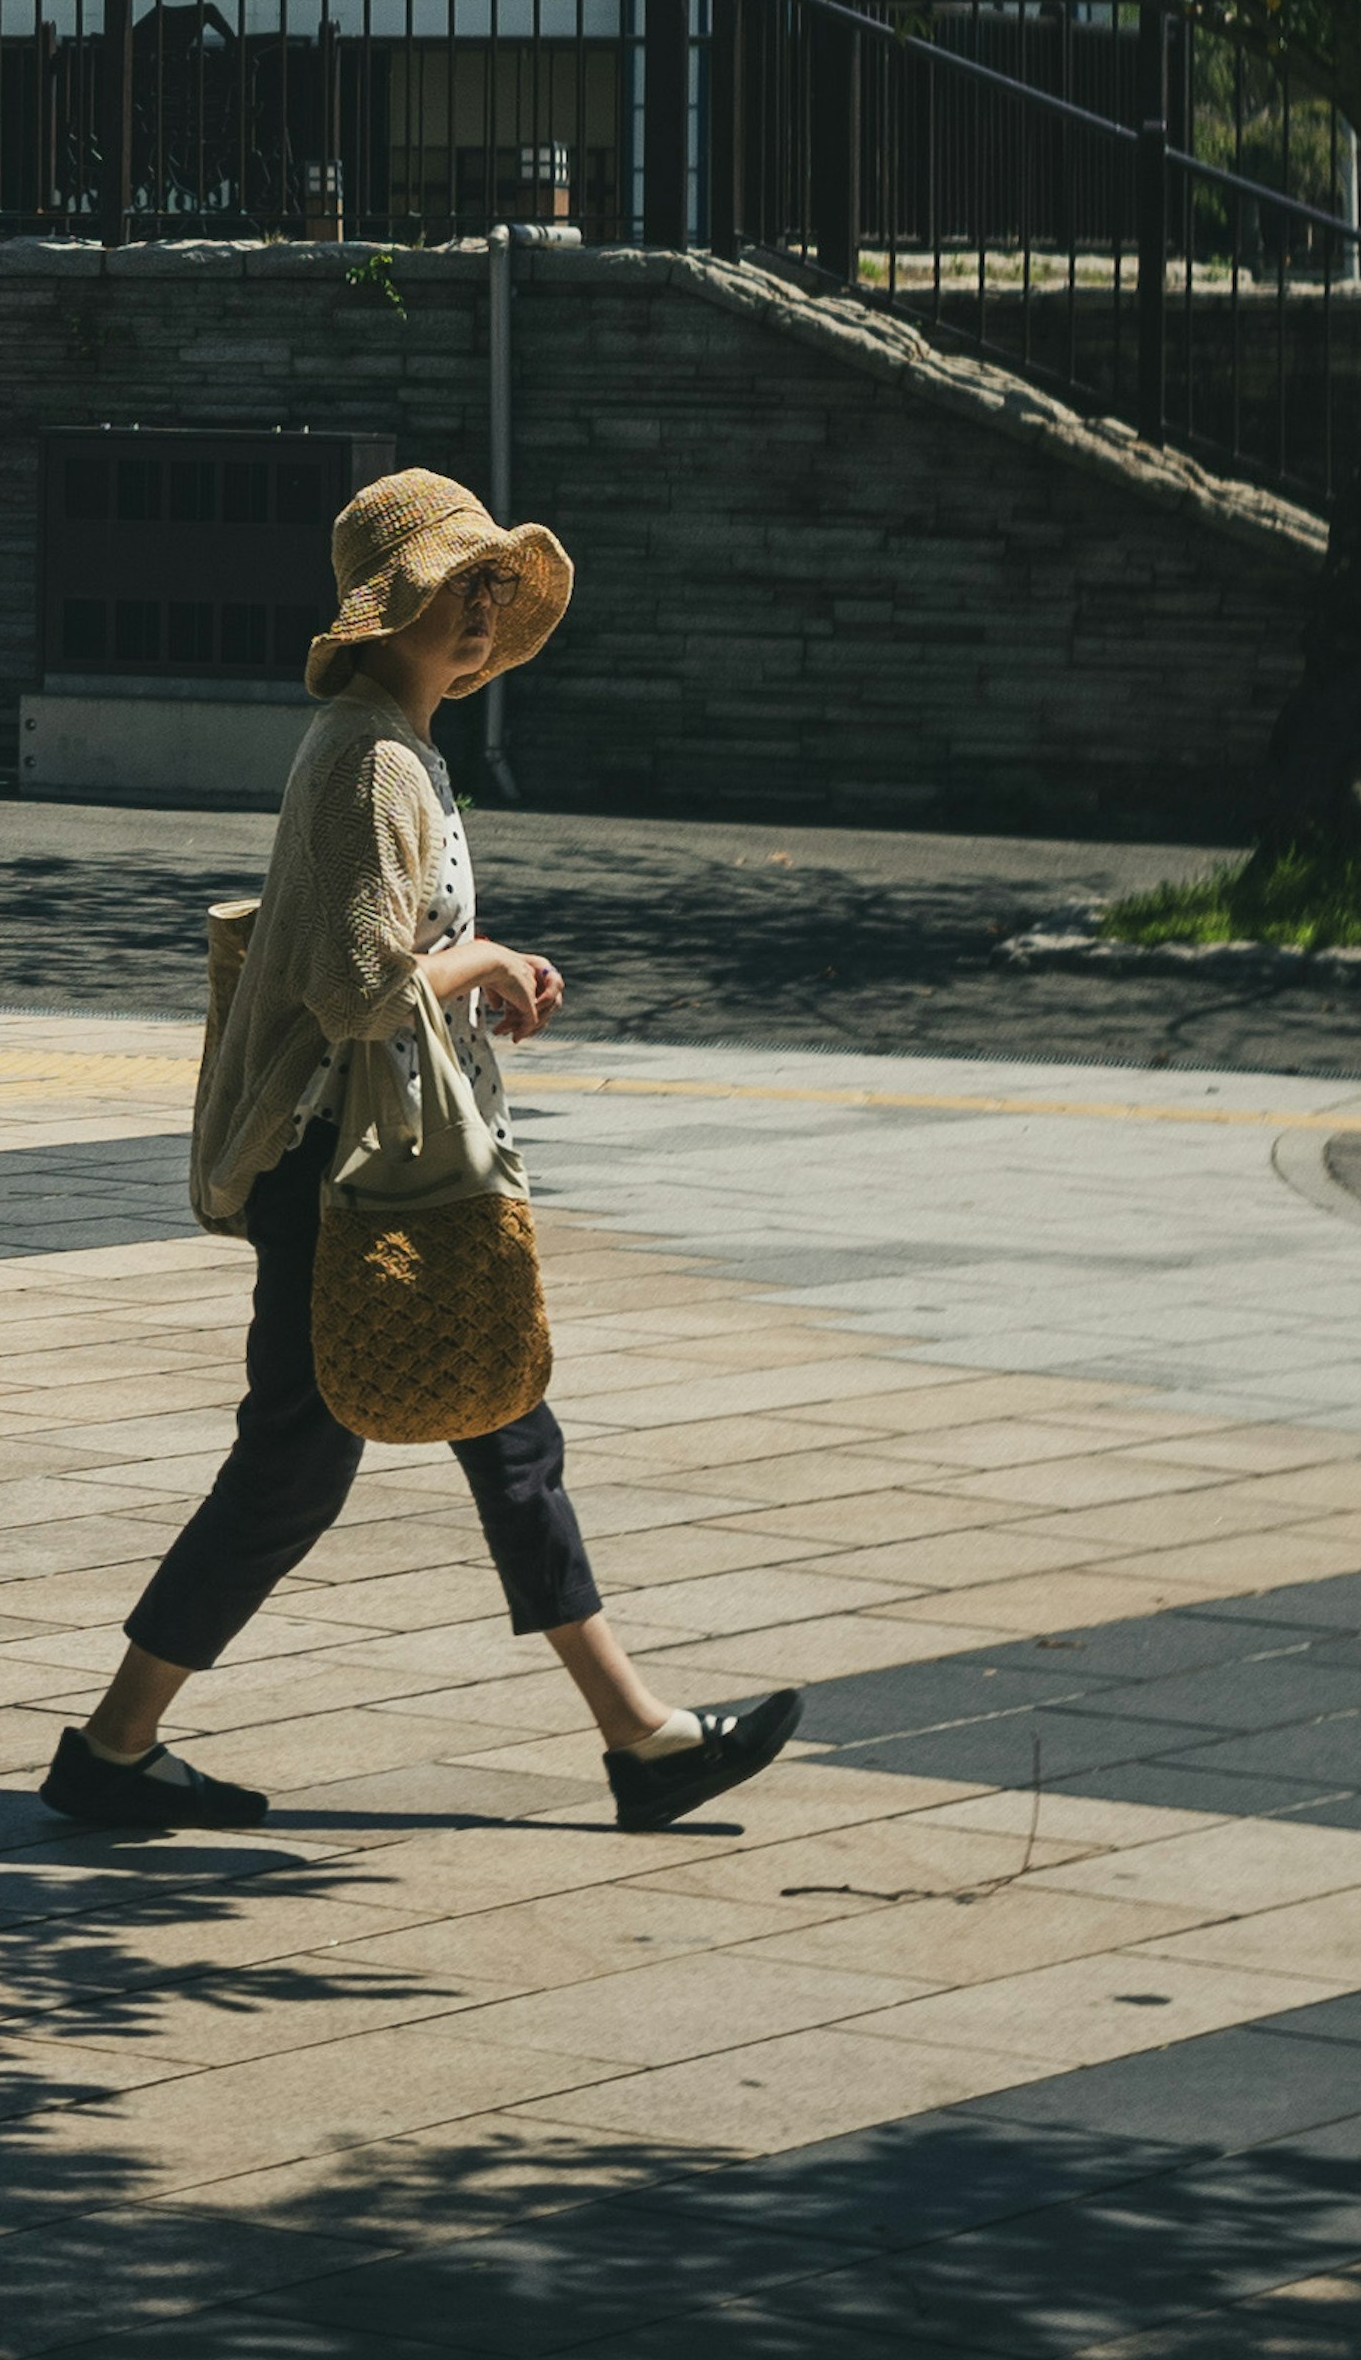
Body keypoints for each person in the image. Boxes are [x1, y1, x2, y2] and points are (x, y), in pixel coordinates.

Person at [39, 464, 802, 1844]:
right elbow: (351, 988)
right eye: (454, 588)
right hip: (349, 1170)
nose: (479, 612)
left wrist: (479, 969)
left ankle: (634, 1737)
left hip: (372, 1158)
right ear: (384, 615)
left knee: (470, 1428)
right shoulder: (372, 757)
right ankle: (117, 1746)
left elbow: (385, 962)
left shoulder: (400, 744)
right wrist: (481, 961)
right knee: (340, 1454)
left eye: (492, 587)